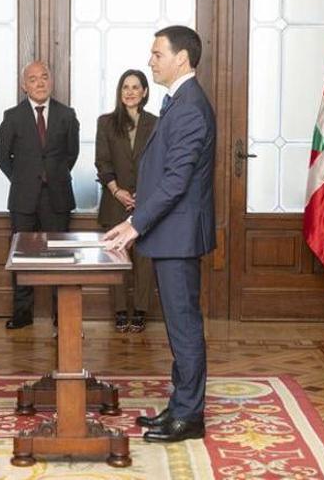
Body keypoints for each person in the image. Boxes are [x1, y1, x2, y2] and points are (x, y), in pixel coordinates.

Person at [105, 25, 215, 443]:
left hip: (179, 236)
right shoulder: (179, 101)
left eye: (156, 54)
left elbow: (175, 181)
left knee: (184, 325)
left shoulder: (189, 106)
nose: (150, 60)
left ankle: (189, 416)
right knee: (177, 324)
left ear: (181, 59)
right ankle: (180, 404)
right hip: (171, 233)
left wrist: (134, 224)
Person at [0, 61, 79, 329]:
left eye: (44, 77)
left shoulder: (67, 115)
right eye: (33, 79)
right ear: (24, 85)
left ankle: (60, 314)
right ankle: (22, 313)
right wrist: (23, 180)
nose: (40, 83)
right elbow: (2, 157)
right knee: (21, 256)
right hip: (23, 198)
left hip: (57, 196)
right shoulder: (12, 116)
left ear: (51, 81)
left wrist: (52, 176)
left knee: (61, 258)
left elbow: (71, 154)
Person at [95, 69, 157, 333]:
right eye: (125, 87)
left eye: (135, 87)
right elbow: (102, 161)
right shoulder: (106, 122)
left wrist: (144, 196)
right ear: (120, 93)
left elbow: (160, 163)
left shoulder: (156, 123)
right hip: (114, 201)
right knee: (116, 258)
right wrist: (116, 190)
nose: (130, 92)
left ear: (144, 92)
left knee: (144, 260)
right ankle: (120, 311)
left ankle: (140, 311)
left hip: (147, 202)